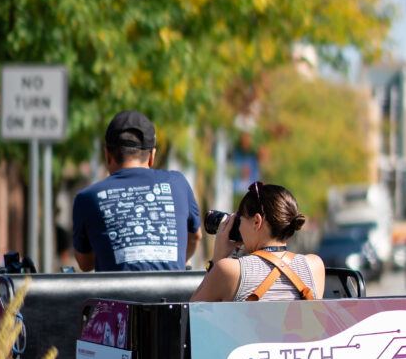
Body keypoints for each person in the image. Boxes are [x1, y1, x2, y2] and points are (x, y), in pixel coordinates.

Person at [73, 110, 202, 271]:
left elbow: (85, 264)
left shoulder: (87, 197)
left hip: (115, 289)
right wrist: (181, 260)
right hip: (172, 288)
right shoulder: (177, 183)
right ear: (151, 156)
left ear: (107, 155)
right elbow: (195, 236)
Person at [190, 182, 325, 302]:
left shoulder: (229, 270)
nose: (239, 227)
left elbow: (191, 313)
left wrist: (217, 259)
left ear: (256, 222)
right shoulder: (314, 266)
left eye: (239, 220)